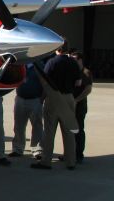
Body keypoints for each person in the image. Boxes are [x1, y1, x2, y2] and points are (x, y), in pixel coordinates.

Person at [31, 40, 81, 170]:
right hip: (69, 97)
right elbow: (78, 83)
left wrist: (42, 98)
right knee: (69, 132)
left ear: (57, 49)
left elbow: (45, 82)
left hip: (53, 98)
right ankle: (71, 162)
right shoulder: (73, 63)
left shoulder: (52, 62)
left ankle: (46, 161)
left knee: (49, 131)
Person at [10, 63, 43, 159]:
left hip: (35, 99)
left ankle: (37, 149)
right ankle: (18, 149)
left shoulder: (39, 66)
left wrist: (42, 99)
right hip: (20, 98)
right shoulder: (19, 65)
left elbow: (44, 83)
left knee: (37, 125)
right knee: (19, 125)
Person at [71, 52, 93, 162]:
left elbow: (88, 89)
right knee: (70, 130)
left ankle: (79, 154)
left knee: (78, 130)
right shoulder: (72, 72)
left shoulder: (86, 72)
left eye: (75, 59)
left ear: (80, 60)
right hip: (70, 105)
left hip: (80, 107)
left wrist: (76, 100)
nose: (73, 61)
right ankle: (70, 153)